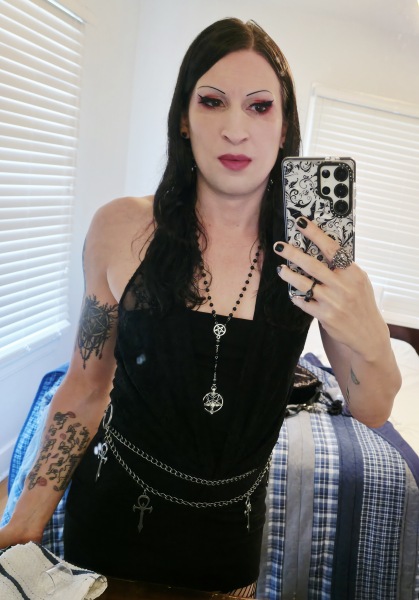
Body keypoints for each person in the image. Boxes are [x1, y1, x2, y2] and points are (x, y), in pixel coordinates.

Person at [0, 17, 401, 598]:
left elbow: (372, 408)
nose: (236, 129)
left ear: (284, 127)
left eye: (260, 107)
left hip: (228, 551)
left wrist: (369, 330)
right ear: (184, 119)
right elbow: (86, 385)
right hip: (109, 530)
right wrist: (24, 522)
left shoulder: (315, 257)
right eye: (212, 102)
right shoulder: (120, 228)